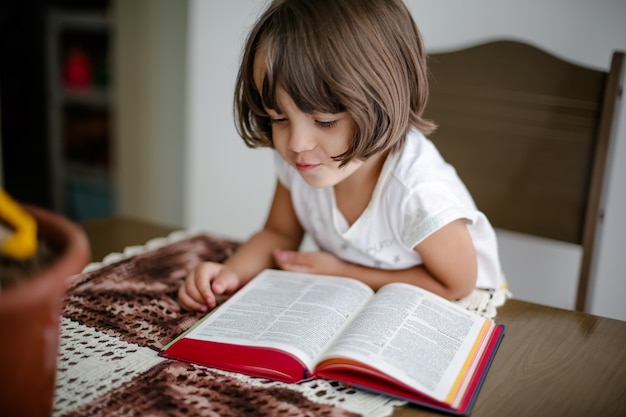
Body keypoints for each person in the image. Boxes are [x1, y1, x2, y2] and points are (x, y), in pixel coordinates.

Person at [178, 0, 503, 312]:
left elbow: (457, 286)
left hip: (457, 312)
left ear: (383, 102)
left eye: (324, 121)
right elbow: (279, 234)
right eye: (279, 118)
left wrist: (342, 272)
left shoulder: (417, 193)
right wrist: (229, 274)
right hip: (362, 302)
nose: (297, 143)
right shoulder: (302, 163)